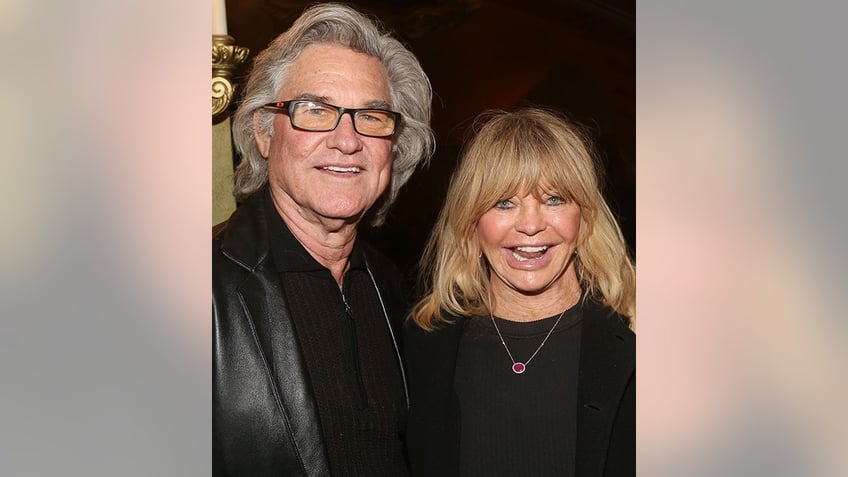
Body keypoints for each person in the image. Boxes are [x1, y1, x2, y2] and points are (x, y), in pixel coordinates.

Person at [212, 3, 434, 476]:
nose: (347, 140)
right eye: (316, 111)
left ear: (395, 147)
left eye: (372, 118)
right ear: (265, 133)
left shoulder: (398, 292)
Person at [405, 108, 635, 476]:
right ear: (471, 222)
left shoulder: (645, 343)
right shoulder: (419, 350)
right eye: (504, 202)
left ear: (585, 216)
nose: (530, 225)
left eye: (555, 199)